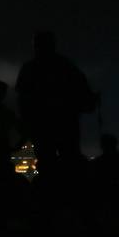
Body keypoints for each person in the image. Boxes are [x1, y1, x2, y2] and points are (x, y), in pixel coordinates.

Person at [15, 31, 98, 179]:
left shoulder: (30, 68)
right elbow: (84, 93)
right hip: (65, 123)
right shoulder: (65, 66)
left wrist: (26, 122)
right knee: (69, 160)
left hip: (41, 125)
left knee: (48, 163)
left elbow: (23, 100)